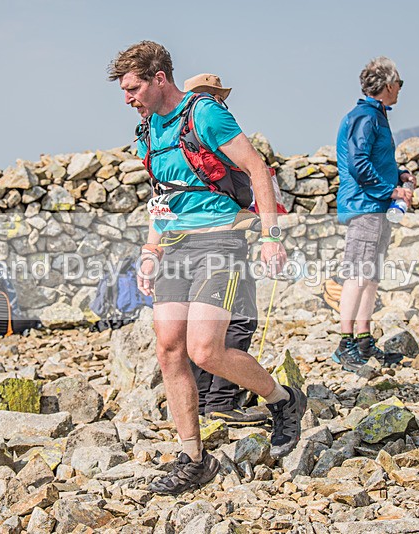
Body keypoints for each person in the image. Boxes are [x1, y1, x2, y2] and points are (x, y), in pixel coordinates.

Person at [108, 41, 306, 495]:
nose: (127, 98)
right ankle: (194, 458)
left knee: (204, 350)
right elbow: (163, 198)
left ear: (160, 78)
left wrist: (272, 236)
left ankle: (282, 400)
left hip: (221, 241)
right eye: (123, 90)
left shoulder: (206, 114)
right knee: (169, 350)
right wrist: (150, 250)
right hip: (175, 247)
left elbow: (257, 169)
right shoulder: (147, 129)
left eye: (133, 87)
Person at [181, 72, 266, 426]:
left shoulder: (172, 133)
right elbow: (251, 174)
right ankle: (223, 401)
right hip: (224, 237)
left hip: (183, 239)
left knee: (198, 321)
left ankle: (199, 401)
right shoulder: (213, 124)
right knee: (241, 317)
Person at [332, 56, 414, 374]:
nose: (401, 90)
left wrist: (400, 175)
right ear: (388, 84)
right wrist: (391, 190)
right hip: (365, 206)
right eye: (400, 84)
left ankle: (363, 341)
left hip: (373, 206)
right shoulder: (366, 116)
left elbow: (374, 161)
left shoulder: (372, 115)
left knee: (369, 276)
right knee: (357, 275)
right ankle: (344, 344)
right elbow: (358, 163)